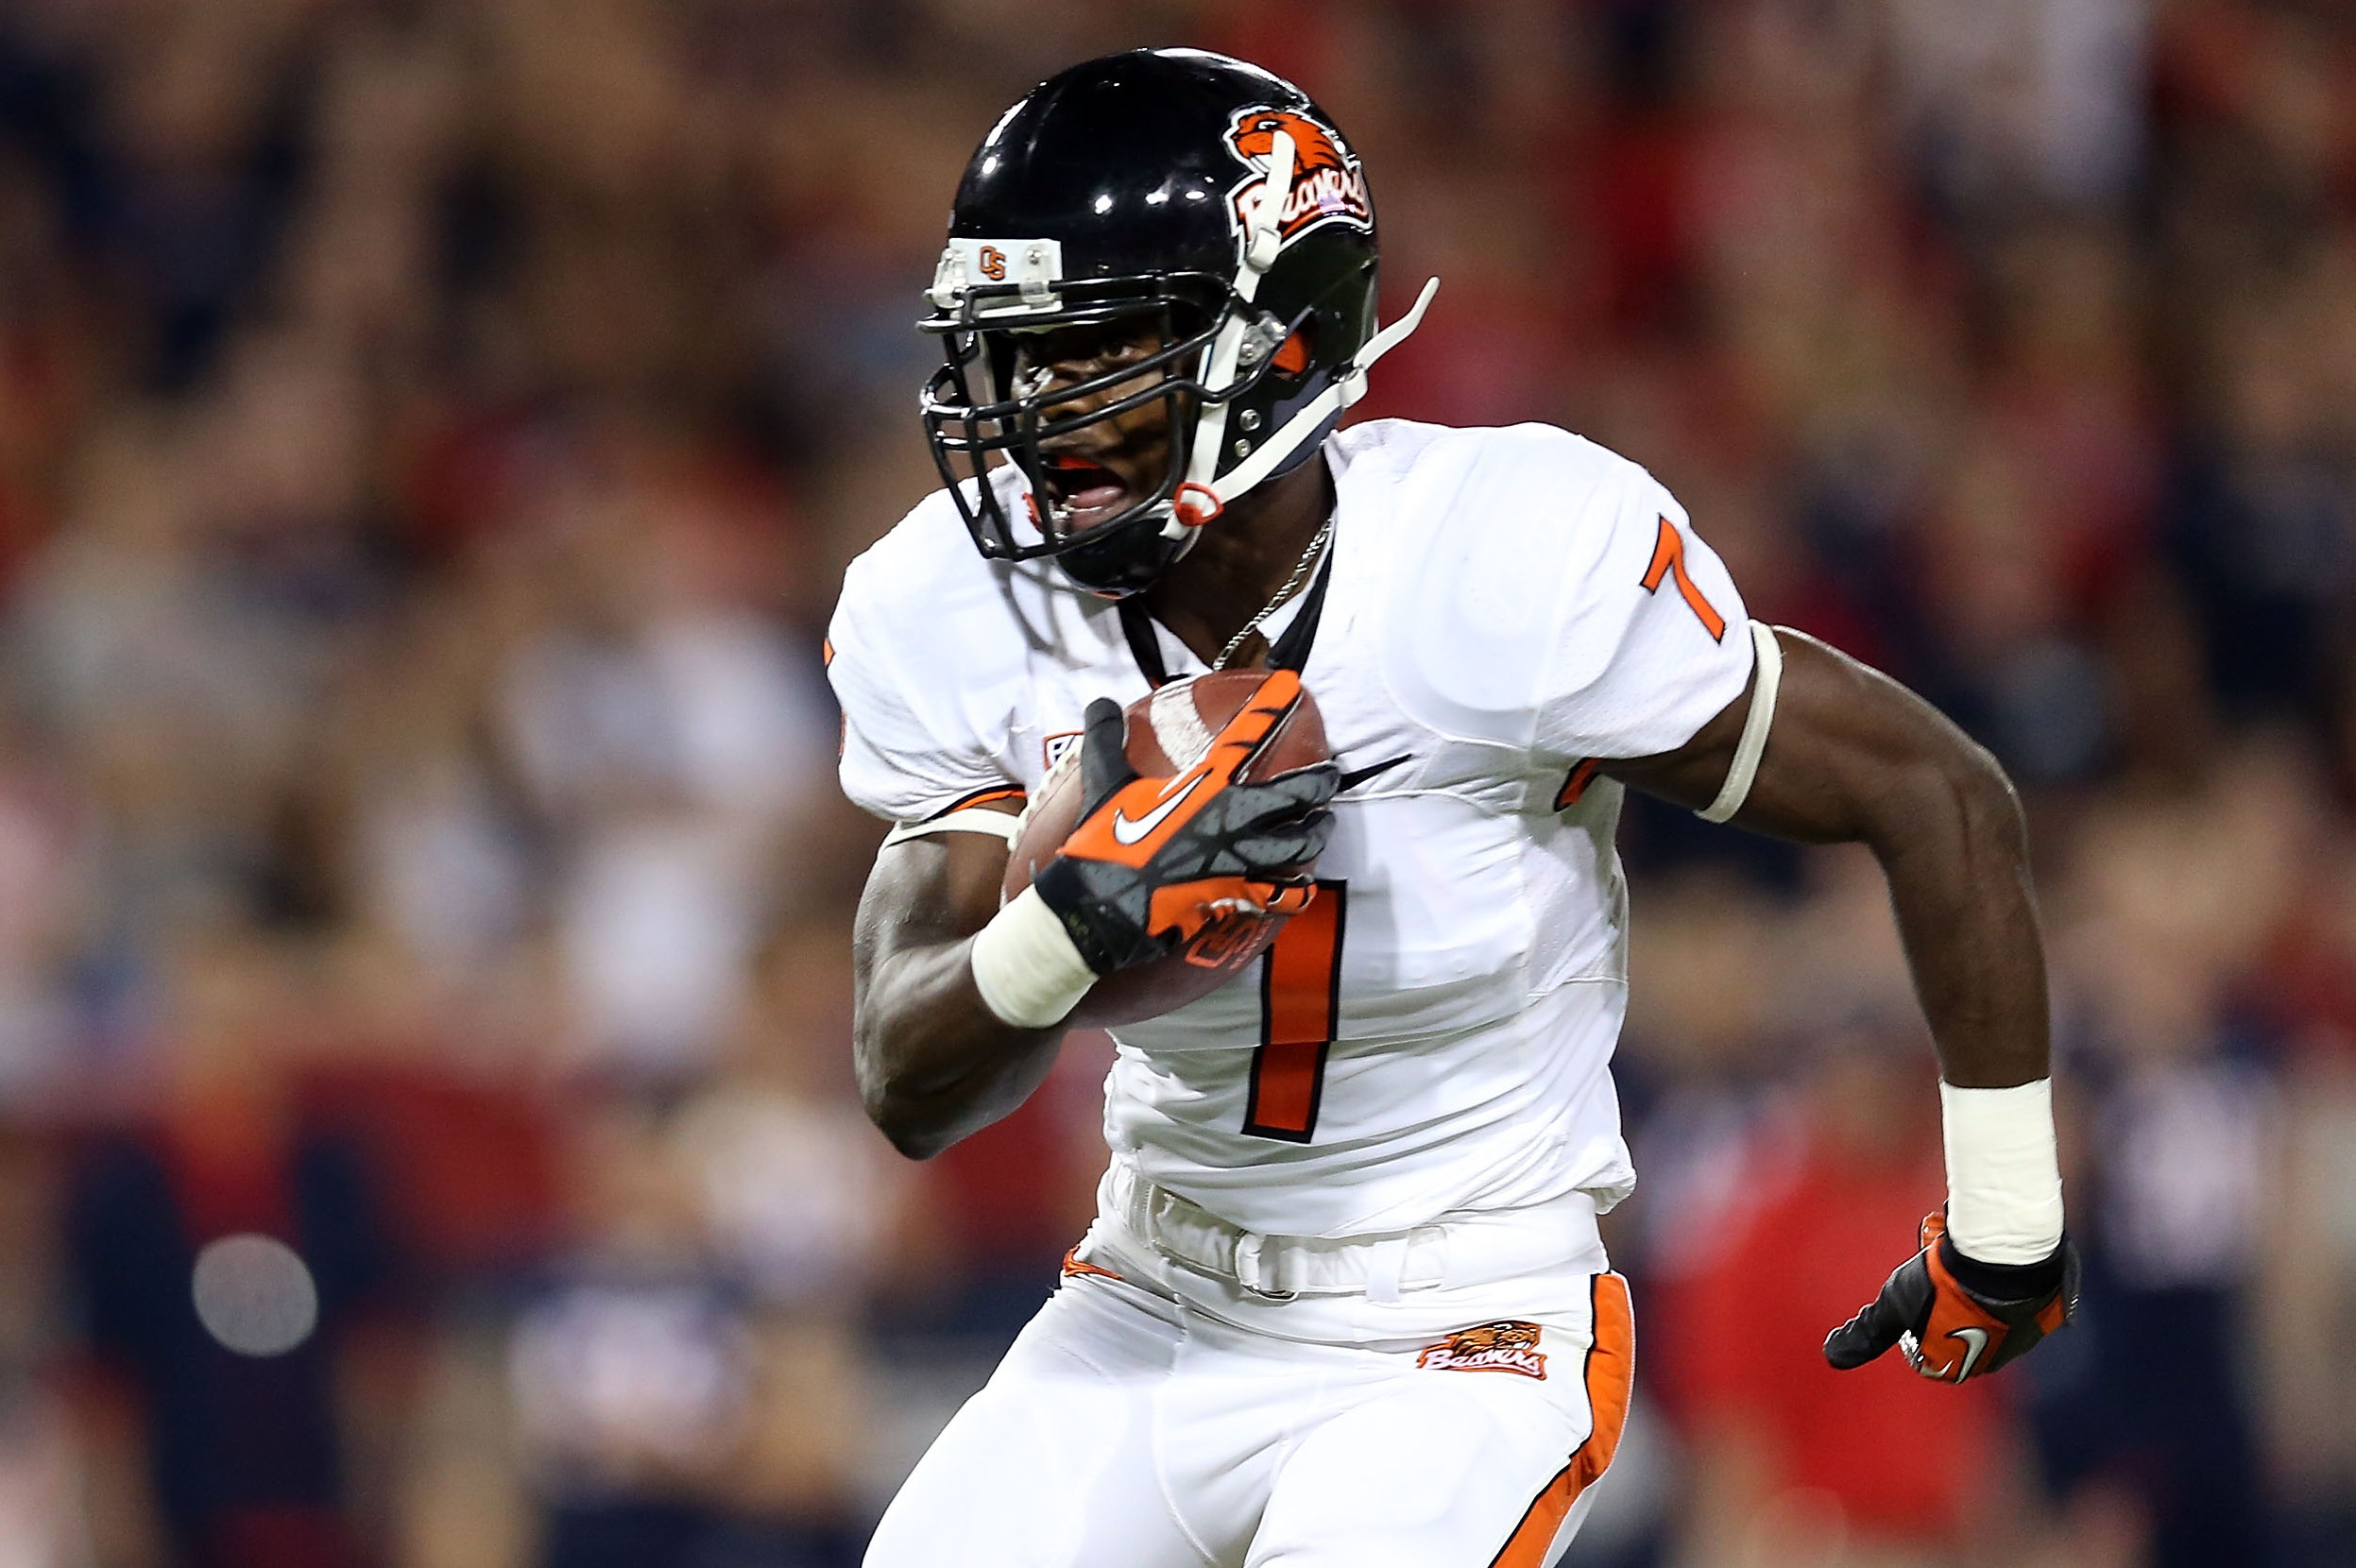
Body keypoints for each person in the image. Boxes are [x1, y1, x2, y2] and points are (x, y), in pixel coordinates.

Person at [828, 48, 2077, 1568]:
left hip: (1456, 1327)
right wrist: (1076, 925)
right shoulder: (948, 603)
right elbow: (906, 1075)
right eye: (1013, 356)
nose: (1037, 412)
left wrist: (2005, 1224)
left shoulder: (1495, 559)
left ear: (1279, 336)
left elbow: (1933, 792)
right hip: (1150, 1298)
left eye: (1094, 349)